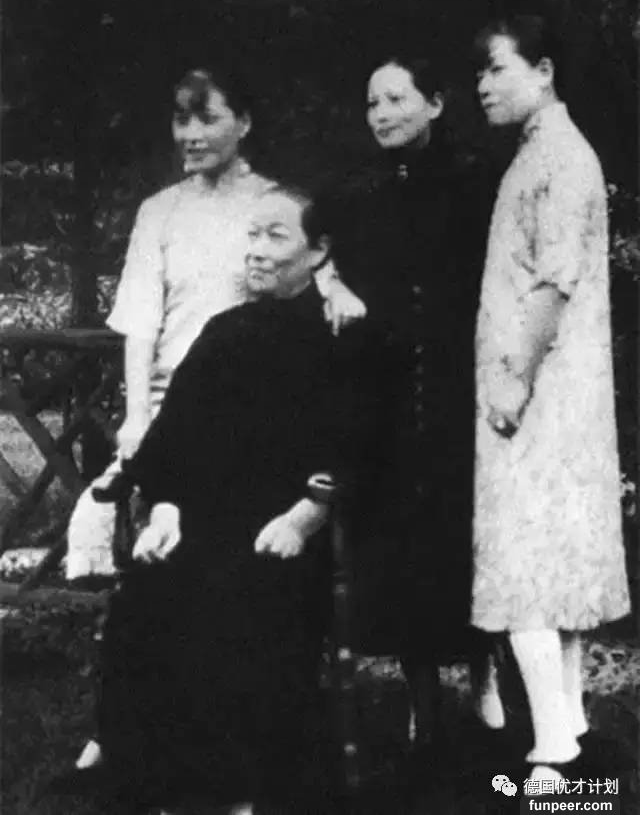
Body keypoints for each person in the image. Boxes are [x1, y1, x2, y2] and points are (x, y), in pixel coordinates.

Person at [66, 64, 365, 772]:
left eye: (207, 118)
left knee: (230, 573)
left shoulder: (273, 205)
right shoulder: (159, 212)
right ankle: (125, 729)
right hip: (179, 406)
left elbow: (311, 264)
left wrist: (339, 288)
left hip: (266, 411)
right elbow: (141, 323)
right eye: (181, 119)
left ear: (245, 123)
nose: (191, 134)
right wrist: (138, 419)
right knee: (163, 561)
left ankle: (222, 743)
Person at [472, 14, 630, 785]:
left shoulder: (562, 159)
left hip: (542, 395)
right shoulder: (540, 155)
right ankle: (567, 723)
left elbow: (553, 284)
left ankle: (554, 748)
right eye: (478, 73)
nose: (483, 85)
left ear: (543, 70)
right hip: (549, 393)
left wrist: (513, 382)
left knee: (526, 564)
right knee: (548, 564)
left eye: (497, 69)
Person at [325, 53, 496, 757]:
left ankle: (485, 675)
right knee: (401, 547)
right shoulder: (361, 189)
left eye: (397, 99)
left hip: (460, 388)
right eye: (373, 102)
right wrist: (333, 281)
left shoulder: (476, 182)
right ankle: (421, 701)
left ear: (435, 103)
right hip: (389, 395)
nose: (383, 114)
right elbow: (313, 241)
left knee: (466, 538)